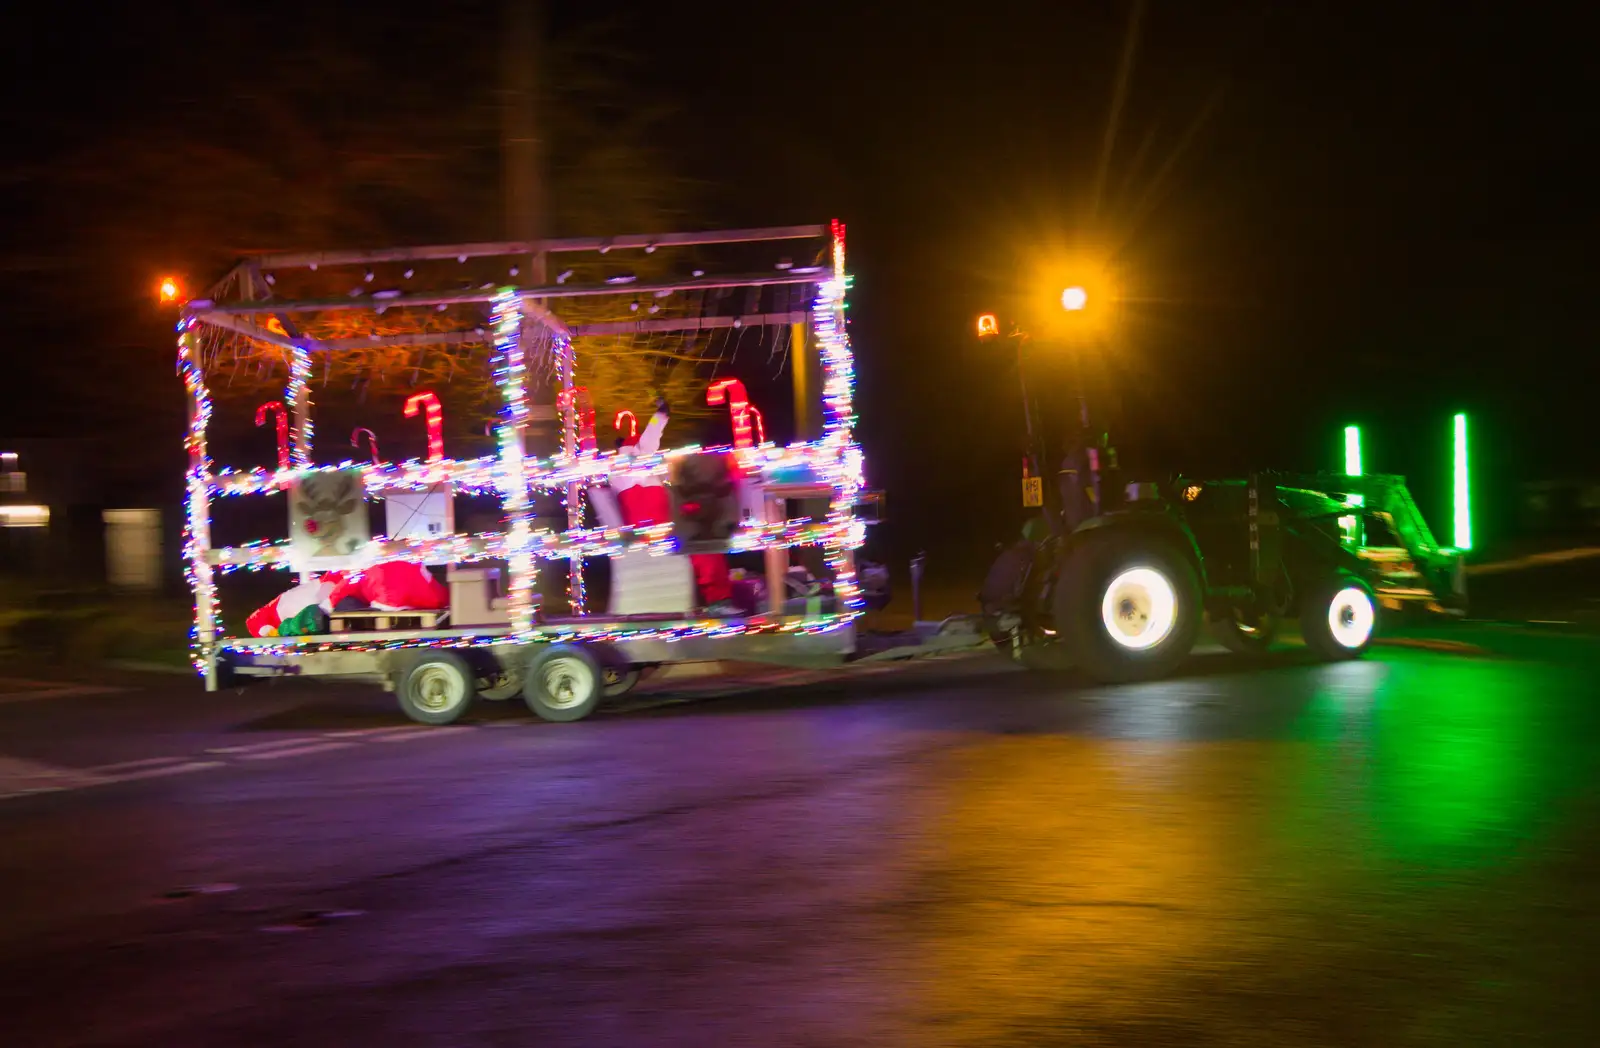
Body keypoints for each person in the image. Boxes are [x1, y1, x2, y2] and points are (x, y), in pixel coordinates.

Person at [612, 395, 737, 613]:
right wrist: (660, 416)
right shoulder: (632, 468)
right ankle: (719, 601)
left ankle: (718, 600)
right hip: (659, 535)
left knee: (705, 542)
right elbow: (649, 442)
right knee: (705, 547)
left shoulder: (634, 475)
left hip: (663, 531)